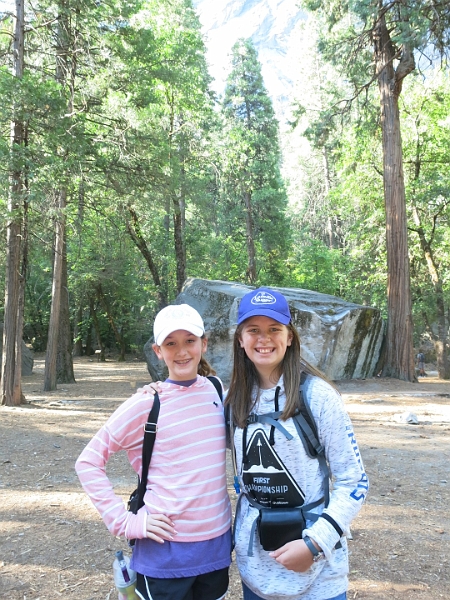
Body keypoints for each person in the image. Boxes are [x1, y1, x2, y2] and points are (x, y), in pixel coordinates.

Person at [75, 304, 232, 600]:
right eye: (171, 343)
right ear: (158, 350)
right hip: (164, 556)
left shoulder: (215, 389)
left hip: (216, 549)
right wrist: (125, 523)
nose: (182, 351)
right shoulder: (146, 403)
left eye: (189, 340)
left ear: (204, 343)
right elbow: (88, 462)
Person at [225, 287, 369, 600]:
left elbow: (354, 480)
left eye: (274, 329)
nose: (264, 339)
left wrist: (315, 543)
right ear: (240, 339)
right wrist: (157, 395)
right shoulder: (233, 401)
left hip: (318, 576)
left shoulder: (318, 397)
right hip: (255, 575)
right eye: (253, 330)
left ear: (289, 337)